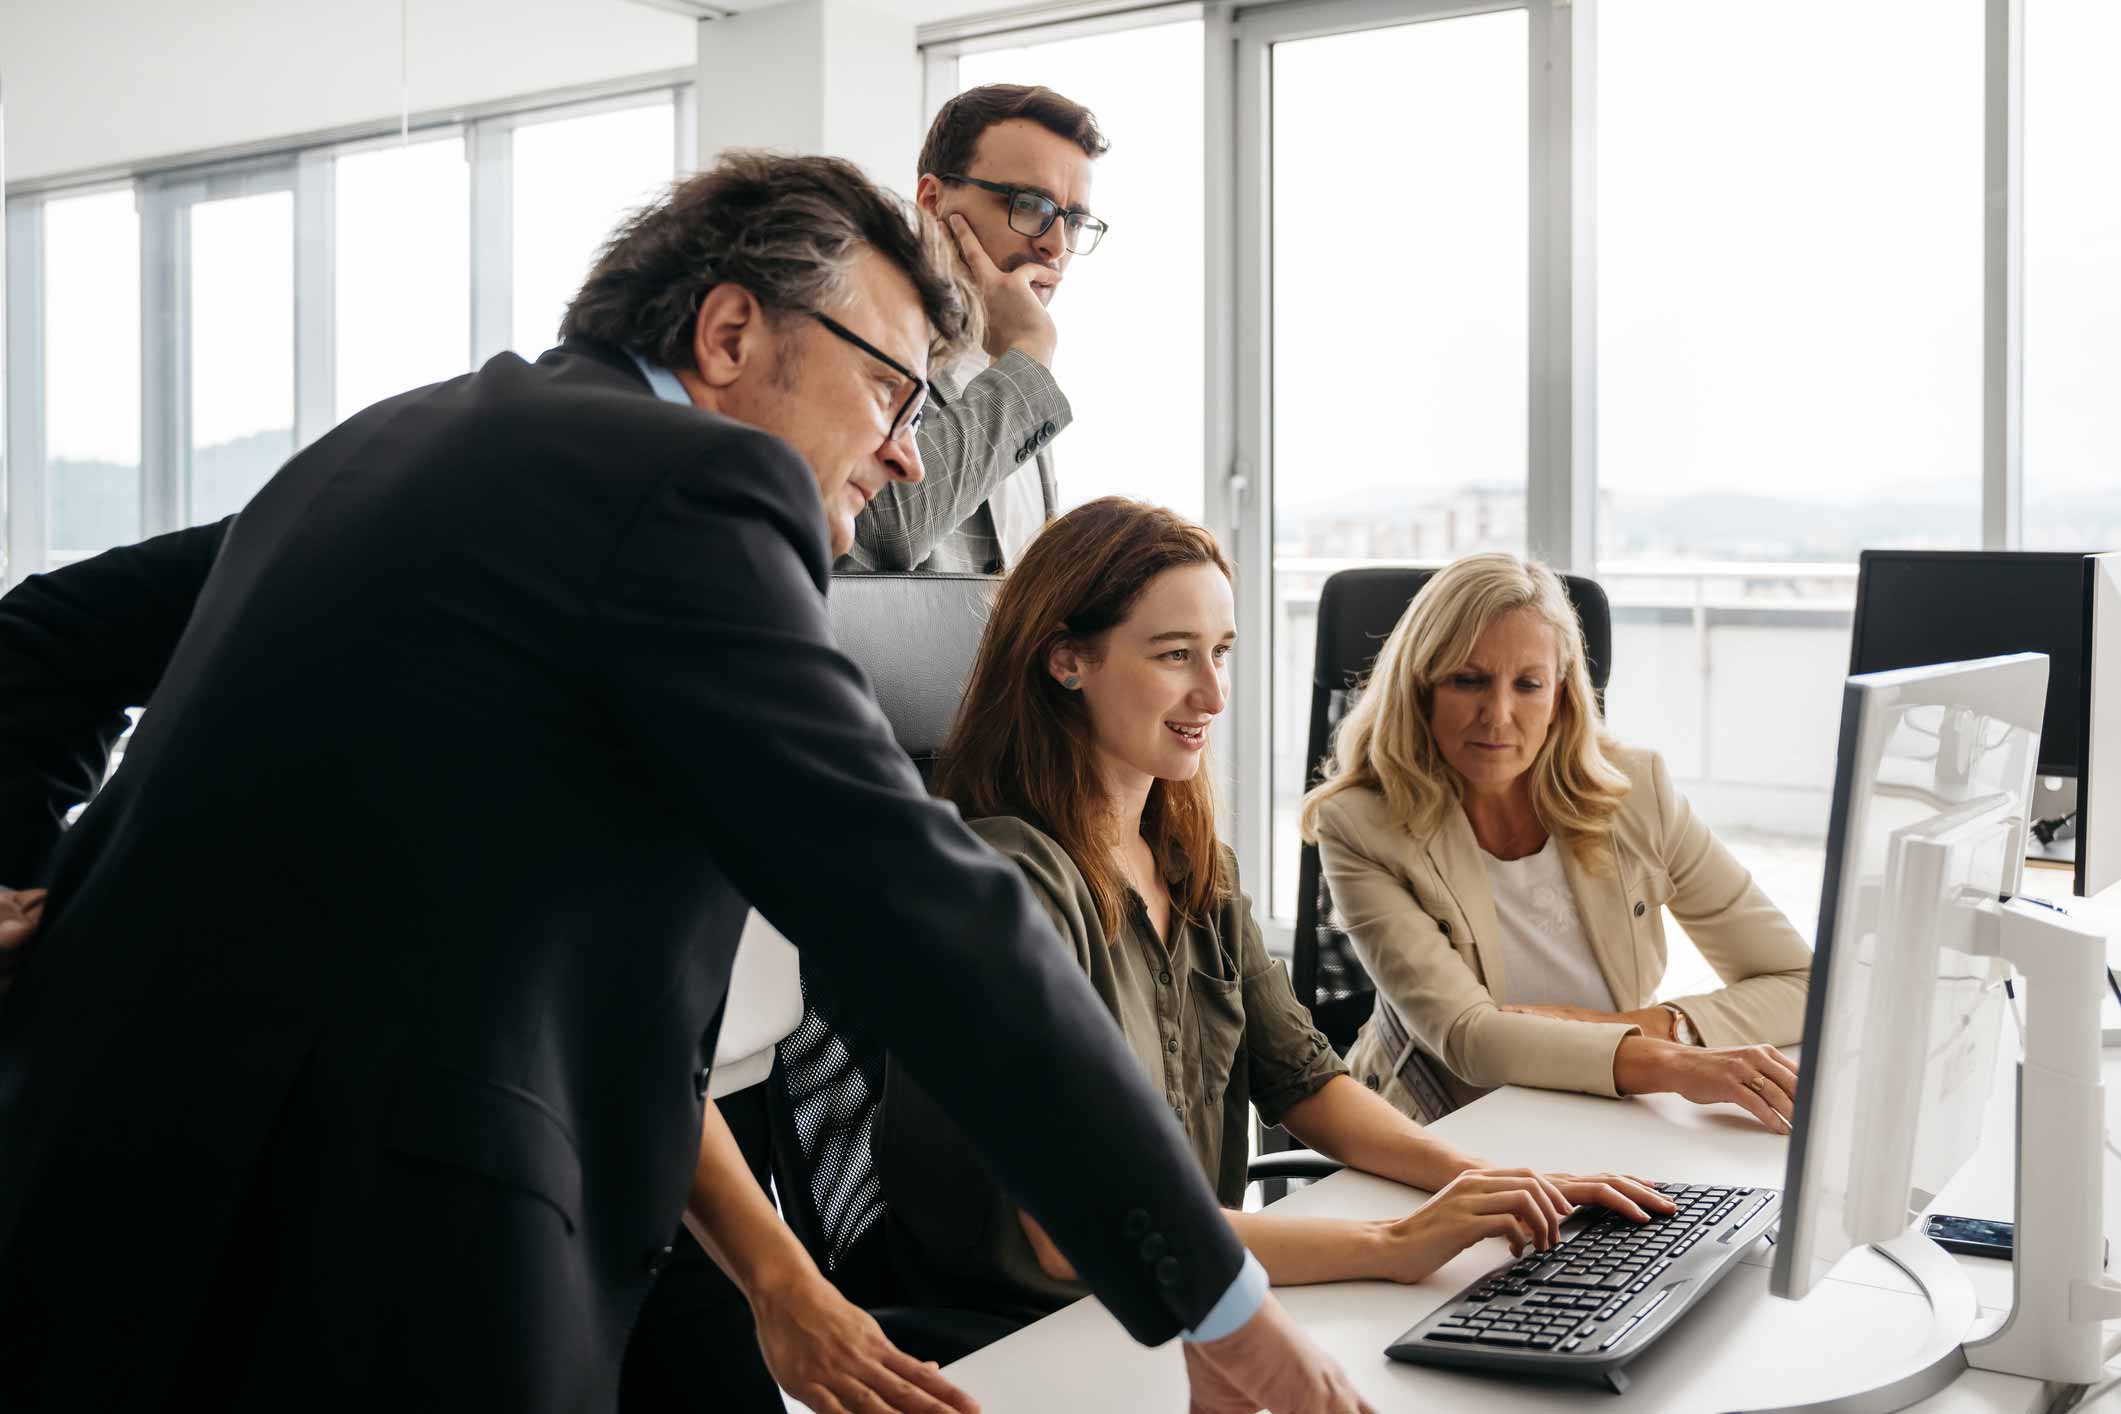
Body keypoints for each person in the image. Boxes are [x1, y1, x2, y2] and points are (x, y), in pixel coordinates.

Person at [0, 153, 1368, 1414]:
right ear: (728, 336)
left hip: (102, 1190)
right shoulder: (691, 486)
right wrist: (1222, 1311)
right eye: (892, 388)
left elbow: (36, 645)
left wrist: (48, 897)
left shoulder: (399, 441)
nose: (903, 450)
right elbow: (915, 905)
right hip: (374, 1257)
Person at [872, 499, 1674, 1326]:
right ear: (1069, 661)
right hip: (1044, 1337)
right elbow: (1066, 1237)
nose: (1213, 692)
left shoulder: (1188, 867)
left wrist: (1481, 1181)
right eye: (1174, 655)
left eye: (1220, 652)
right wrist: (1390, 1244)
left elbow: (1303, 1082)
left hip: (1194, 1303)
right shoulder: (1006, 885)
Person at [1299, 552, 1812, 1133]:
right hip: (1439, 1128)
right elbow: (1472, 1039)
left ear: (1561, 695)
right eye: (1468, 681)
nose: (1498, 715)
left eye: (1528, 685)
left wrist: (1659, 1026)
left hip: (1603, 1113)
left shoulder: (1637, 793)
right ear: (1421, 690)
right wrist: (1673, 1062)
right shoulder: (1362, 825)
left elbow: (1800, 982)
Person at [842, 83, 1106, 574]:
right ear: (932, 200)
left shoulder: (1018, 377)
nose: (1054, 246)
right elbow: (885, 530)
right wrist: (1028, 354)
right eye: (1028, 205)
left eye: (1072, 221)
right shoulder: (861, 341)